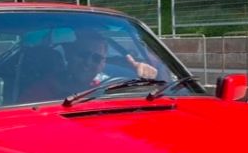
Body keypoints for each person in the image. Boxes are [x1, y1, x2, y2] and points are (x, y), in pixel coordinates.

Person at [20, 29, 158, 103]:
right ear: (69, 55)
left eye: (96, 58)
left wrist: (148, 74)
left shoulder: (106, 87)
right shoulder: (43, 89)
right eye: (83, 55)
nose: (88, 62)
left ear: (103, 64)